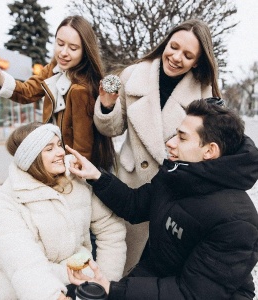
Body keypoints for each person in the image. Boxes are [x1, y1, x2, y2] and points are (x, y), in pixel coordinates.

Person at [66, 98, 258, 299]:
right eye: (176, 134)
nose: (170, 143)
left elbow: (192, 294)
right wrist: (97, 176)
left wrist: (113, 289)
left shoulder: (236, 221)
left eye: (182, 138)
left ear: (209, 151)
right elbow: (135, 204)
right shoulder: (178, 176)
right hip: (157, 280)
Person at [94, 18, 222, 273]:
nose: (176, 57)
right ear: (165, 43)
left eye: (187, 55)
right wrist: (107, 106)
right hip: (131, 183)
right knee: (122, 262)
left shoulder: (205, 93)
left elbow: (206, 146)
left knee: (162, 266)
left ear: (197, 61)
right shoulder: (133, 75)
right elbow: (112, 129)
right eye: (173, 47)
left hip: (176, 189)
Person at [0, 122, 126, 300]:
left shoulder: (77, 180)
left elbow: (111, 230)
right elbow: (24, 263)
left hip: (82, 283)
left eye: (59, 145)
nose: (61, 152)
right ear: (31, 158)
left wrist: (105, 282)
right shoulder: (7, 202)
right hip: (33, 291)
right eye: (49, 148)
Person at [0, 15, 115, 171]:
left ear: (85, 51)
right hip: (56, 159)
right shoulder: (53, 69)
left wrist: (68, 175)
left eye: (73, 48)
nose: (63, 52)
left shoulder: (81, 90)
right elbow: (27, 92)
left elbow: (83, 149)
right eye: (60, 44)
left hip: (72, 168)